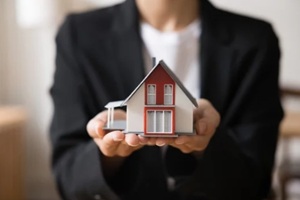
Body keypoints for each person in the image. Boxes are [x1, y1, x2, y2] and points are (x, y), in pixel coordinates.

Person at [49, 0, 283, 199]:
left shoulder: (255, 41)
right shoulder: (78, 35)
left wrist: (206, 146)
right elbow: (68, 177)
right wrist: (108, 153)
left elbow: (256, 180)